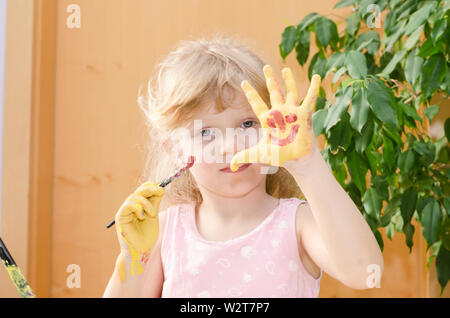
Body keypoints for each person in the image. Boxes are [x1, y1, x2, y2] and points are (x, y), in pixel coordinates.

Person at [103, 36, 384, 298]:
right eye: (206, 133)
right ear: (177, 151)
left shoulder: (297, 223)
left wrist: (308, 164)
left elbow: (365, 274)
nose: (231, 146)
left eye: (248, 124)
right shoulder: (165, 231)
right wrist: (132, 257)